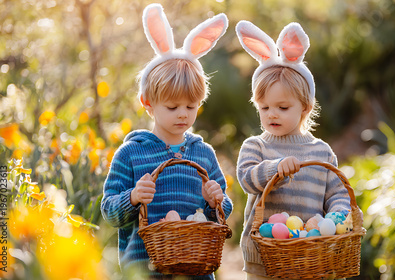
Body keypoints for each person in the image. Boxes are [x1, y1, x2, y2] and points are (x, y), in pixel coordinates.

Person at [101, 4, 232, 279]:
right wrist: (133, 197)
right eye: (172, 107)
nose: (183, 114)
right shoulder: (131, 154)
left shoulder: (203, 154)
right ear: (148, 103)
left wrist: (214, 202)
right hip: (144, 272)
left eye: (191, 106)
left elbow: (223, 210)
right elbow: (108, 211)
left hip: (195, 271)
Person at [235, 21, 351, 279]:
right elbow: (247, 179)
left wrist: (337, 217)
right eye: (264, 108)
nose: (272, 114)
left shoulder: (321, 152)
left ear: (305, 107)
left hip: (311, 257)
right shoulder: (256, 146)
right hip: (265, 258)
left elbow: (337, 193)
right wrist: (275, 168)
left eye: (282, 107)